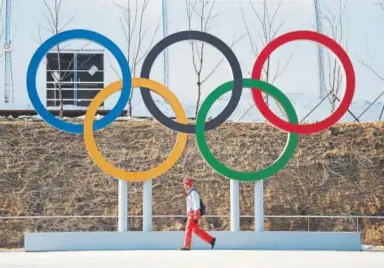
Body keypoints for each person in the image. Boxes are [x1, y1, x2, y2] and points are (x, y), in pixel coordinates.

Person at [179, 177, 216, 250]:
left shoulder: (193, 193)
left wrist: (196, 216)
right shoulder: (188, 193)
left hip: (194, 213)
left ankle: (187, 246)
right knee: (195, 230)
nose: (185, 186)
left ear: (189, 185)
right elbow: (189, 205)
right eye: (184, 185)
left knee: (188, 228)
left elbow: (196, 205)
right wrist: (187, 213)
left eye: (186, 185)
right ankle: (211, 240)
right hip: (191, 213)